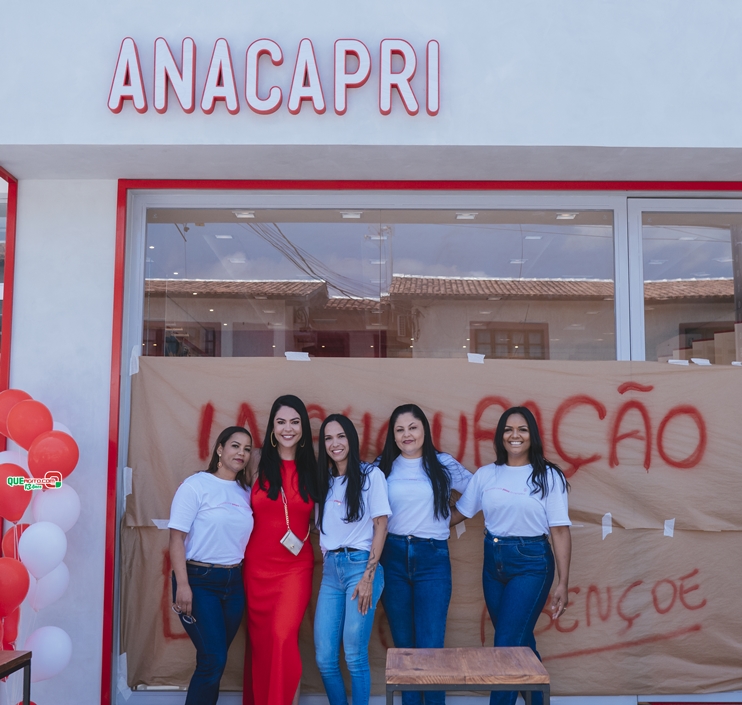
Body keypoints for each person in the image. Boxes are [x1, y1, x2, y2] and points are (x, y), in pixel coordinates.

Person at [454, 406, 572, 705]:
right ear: (500, 436)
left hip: (532, 564)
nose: (514, 435)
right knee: (519, 642)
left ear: (532, 435)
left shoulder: (548, 476)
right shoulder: (486, 475)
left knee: (506, 645)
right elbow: (459, 513)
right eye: (508, 429)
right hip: (493, 564)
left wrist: (563, 582)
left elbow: (559, 531)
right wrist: (414, 520)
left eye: (522, 429)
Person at [377, 403, 472, 705]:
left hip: (432, 559)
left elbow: (479, 490)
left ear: (424, 430)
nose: (407, 435)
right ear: (393, 436)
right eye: (400, 430)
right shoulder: (382, 467)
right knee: (404, 651)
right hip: (392, 557)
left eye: (413, 427)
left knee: (430, 648)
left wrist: (450, 518)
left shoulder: (442, 463)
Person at [168, 426, 254, 705]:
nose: (241, 453)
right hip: (199, 580)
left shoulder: (245, 492)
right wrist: (183, 585)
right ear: (219, 449)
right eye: (235, 446)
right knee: (213, 660)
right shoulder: (196, 485)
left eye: (247, 449)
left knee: (214, 661)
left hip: (233, 583)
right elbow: (176, 538)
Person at [243, 395, 317, 705]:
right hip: (256, 569)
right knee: (262, 644)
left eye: (295, 422)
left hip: (295, 568)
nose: (288, 428)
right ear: (272, 427)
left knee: (283, 637)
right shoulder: (255, 462)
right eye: (281, 422)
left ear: (303, 427)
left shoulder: (315, 467)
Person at [314, 414, 391, 705]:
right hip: (331, 572)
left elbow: (381, 526)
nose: (335, 443)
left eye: (341, 436)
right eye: (328, 438)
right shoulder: (324, 481)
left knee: (355, 656)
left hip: (360, 567)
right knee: (324, 658)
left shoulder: (371, 476)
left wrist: (368, 577)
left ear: (352, 439)